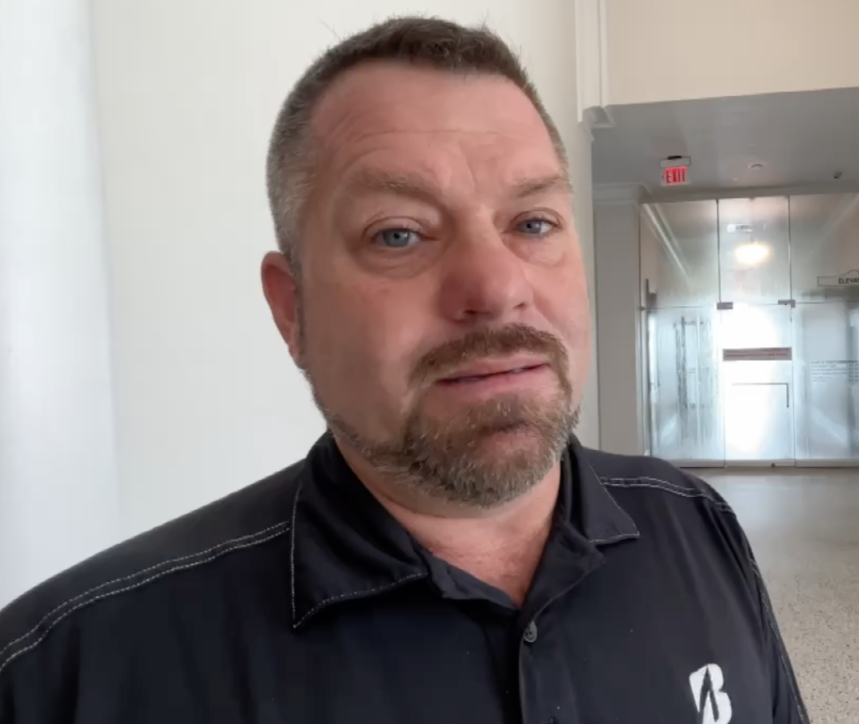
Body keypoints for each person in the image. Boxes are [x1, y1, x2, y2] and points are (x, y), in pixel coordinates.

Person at [0, 16, 808, 724]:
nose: (496, 288)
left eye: (532, 221)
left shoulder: (697, 529)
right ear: (293, 310)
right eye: (399, 234)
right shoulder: (69, 674)